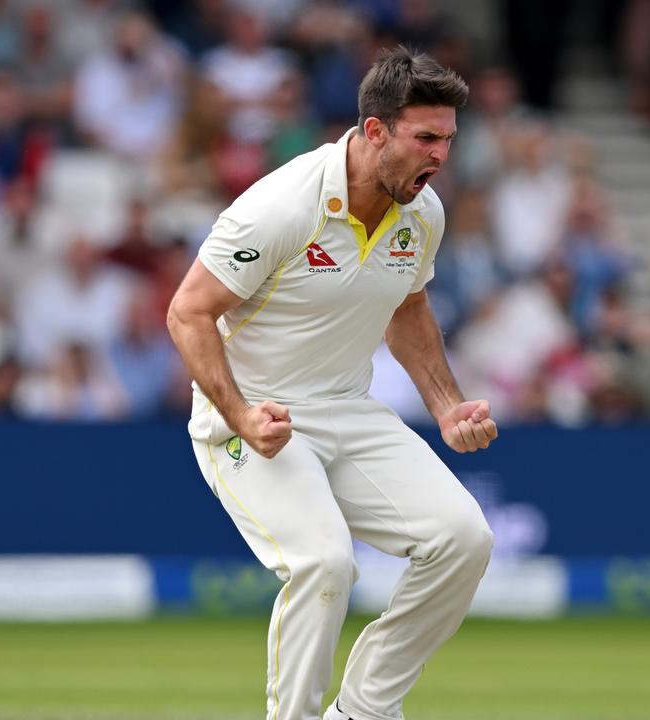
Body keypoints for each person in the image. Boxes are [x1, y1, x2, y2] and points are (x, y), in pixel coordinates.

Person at [166, 47, 497, 720]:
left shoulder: (421, 213)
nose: (440, 156)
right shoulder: (283, 205)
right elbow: (188, 311)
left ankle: (364, 711)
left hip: (347, 409)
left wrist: (446, 405)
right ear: (375, 131)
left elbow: (407, 307)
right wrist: (240, 415)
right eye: (425, 138)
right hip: (256, 420)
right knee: (324, 565)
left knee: (464, 538)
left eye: (448, 140)